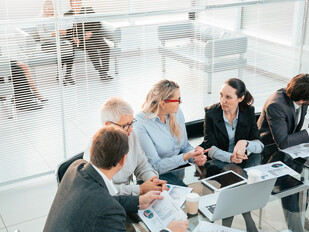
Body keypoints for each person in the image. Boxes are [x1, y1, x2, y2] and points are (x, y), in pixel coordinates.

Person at [44, 126, 188, 232]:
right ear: (123, 160)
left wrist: (138, 201)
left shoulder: (76, 167)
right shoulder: (109, 210)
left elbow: (102, 200)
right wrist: (168, 231)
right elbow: (104, 204)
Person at [257, 74, 309, 232]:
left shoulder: (299, 99)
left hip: (290, 151)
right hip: (268, 155)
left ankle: (300, 215)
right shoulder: (276, 105)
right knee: (292, 184)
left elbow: (293, 133)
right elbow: (282, 143)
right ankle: (296, 226)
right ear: (303, 99)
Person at [198, 78, 263, 232]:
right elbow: (209, 146)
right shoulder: (212, 112)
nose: (223, 100)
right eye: (221, 95)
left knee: (236, 179)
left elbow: (259, 145)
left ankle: (225, 228)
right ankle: (248, 220)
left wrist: (244, 143)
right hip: (219, 162)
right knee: (236, 177)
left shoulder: (248, 112)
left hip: (243, 161)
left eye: (228, 97)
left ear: (240, 98)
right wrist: (230, 157)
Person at [83, 96, 168, 195]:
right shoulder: (95, 149)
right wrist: (139, 189)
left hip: (131, 193)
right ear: (108, 125)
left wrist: (153, 181)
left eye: (132, 123)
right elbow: (106, 189)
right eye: (126, 125)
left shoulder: (132, 135)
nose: (131, 129)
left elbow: (142, 165)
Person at [134, 79, 207, 175]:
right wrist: (185, 157)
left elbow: (184, 145)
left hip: (179, 171)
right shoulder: (141, 124)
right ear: (163, 104)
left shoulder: (177, 112)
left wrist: (195, 156)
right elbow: (155, 166)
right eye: (178, 99)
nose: (180, 102)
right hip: (158, 177)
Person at [64, 0, 112, 81]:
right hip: (80, 39)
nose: (78, 6)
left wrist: (91, 32)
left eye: (79, 3)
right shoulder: (67, 15)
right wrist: (73, 38)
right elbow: (66, 31)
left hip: (93, 36)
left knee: (105, 48)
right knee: (92, 48)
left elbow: (98, 24)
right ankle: (102, 73)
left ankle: (104, 71)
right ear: (71, 6)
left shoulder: (88, 10)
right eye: (75, 4)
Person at [38, 0, 75, 85]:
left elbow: (68, 26)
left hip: (61, 41)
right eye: (49, 9)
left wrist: (61, 20)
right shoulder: (41, 18)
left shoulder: (57, 16)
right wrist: (54, 33)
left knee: (70, 49)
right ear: (44, 9)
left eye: (52, 8)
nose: (51, 10)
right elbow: (42, 35)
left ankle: (68, 74)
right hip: (47, 43)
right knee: (62, 51)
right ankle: (59, 76)